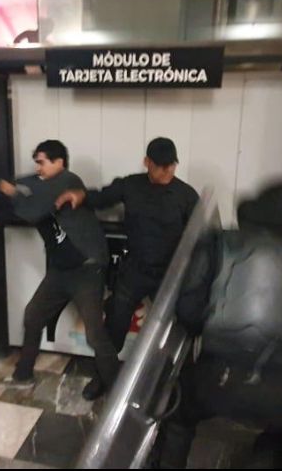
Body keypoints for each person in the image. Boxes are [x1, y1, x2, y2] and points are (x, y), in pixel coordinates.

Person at [148, 180, 282, 469]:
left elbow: (188, 311)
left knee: (177, 416)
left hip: (218, 375)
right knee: (281, 438)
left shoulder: (219, 243)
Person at [55, 137, 198, 400]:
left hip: (170, 274)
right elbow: (101, 198)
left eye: (171, 166)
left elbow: (200, 237)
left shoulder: (186, 195)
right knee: (115, 327)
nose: (167, 171)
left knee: (178, 329)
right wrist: (81, 195)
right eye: (160, 166)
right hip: (135, 270)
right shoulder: (131, 185)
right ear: (147, 163)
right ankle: (102, 379)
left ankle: (180, 387)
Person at [0, 140, 119, 396]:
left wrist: (12, 192)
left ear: (59, 162)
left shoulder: (68, 181)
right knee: (33, 316)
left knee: (95, 334)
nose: (37, 168)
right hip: (62, 270)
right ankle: (23, 374)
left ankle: (118, 390)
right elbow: (31, 182)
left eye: (42, 162)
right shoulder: (45, 182)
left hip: (87, 269)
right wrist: (16, 184)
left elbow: (34, 211)